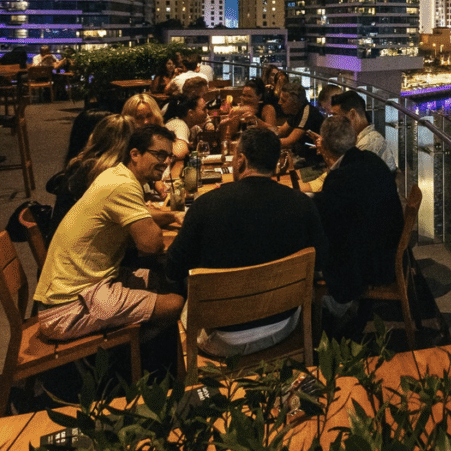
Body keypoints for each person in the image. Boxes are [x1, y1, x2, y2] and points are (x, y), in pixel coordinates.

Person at [164, 127, 327, 357]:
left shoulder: (206, 205)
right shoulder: (303, 204)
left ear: (240, 160)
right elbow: (320, 259)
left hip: (220, 338)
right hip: (283, 325)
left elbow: (172, 269)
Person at [32, 125, 184, 341]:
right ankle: (135, 362)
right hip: (67, 307)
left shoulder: (117, 175)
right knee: (176, 302)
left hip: (79, 288)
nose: (166, 161)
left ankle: (136, 352)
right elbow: (151, 245)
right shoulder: (123, 185)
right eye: (159, 154)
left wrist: (171, 216)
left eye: (169, 156)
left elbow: (140, 215)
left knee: (159, 279)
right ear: (135, 154)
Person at [310, 115, 403, 326]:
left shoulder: (340, 178)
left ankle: (332, 308)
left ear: (323, 147)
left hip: (374, 265)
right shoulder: (370, 161)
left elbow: (327, 224)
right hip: (388, 248)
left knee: (315, 249)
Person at [331, 91, 397, 171]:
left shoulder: (367, 145)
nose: (335, 124)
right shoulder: (361, 140)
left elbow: (347, 178)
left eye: (338, 118)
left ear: (352, 114)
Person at [273, 82, 323, 163]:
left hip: (315, 162)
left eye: (283, 100)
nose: (279, 102)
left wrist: (265, 142)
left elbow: (289, 141)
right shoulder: (295, 111)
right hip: (302, 157)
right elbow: (280, 131)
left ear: (295, 102)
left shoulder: (307, 112)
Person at [163, 94, 207, 165]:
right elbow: (179, 153)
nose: (207, 112)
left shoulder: (192, 127)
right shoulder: (180, 125)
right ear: (191, 113)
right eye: (204, 109)